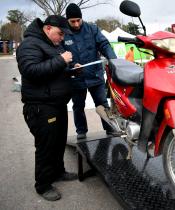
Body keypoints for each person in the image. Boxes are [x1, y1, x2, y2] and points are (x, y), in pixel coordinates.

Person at [16, 15, 80, 201]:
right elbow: (31, 71)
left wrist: (71, 70)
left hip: (57, 104)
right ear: (48, 28)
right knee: (46, 146)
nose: (62, 38)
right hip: (40, 107)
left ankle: (58, 172)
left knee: (59, 141)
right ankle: (43, 185)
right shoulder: (30, 44)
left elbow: (54, 71)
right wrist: (61, 60)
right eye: (60, 33)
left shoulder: (52, 45)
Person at [63, 3, 117, 139]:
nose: (76, 24)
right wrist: (71, 66)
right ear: (67, 20)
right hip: (76, 78)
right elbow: (60, 54)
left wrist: (113, 59)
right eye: (72, 21)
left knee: (102, 103)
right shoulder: (63, 33)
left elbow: (104, 44)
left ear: (82, 18)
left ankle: (110, 128)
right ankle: (81, 132)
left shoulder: (92, 29)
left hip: (95, 75)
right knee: (78, 106)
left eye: (78, 20)